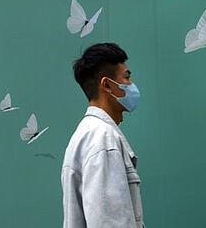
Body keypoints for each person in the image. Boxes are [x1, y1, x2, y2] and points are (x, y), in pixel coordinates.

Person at [61, 43, 145, 228]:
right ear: (107, 85)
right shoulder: (103, 138)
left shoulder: (85, 134)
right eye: (127, 77)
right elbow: (110, 222)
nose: (131, 85)